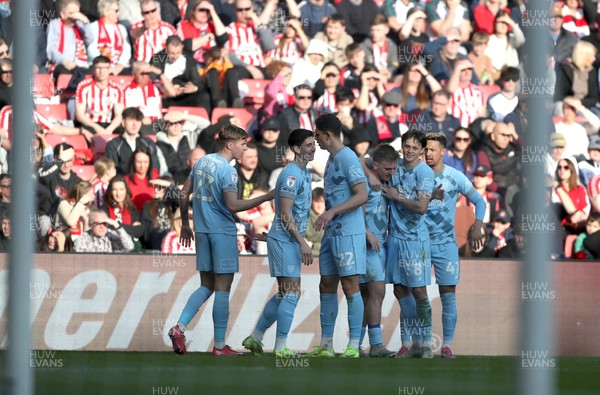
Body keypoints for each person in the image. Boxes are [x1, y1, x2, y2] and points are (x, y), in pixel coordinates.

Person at [168, 124, 274, 357]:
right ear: (230, 144)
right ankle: (219, 346)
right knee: (223, 290)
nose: (245, 148)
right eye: (242, 143)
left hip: (203, 231)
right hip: (223, 232)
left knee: (207, 285)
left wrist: (186, 224)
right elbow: (233, 206)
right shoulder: (229, 170)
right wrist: (267, 196)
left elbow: (184, 193)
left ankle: (180, 327)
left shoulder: (202, 161)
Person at [242, 128, 315, 357]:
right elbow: (284, 212)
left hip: (283, 238)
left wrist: (273, 235)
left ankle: (255, 338)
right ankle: (281, 346)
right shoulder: (292, 174)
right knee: (292, 293)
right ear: (295, 149)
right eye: (308, 144)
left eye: (314, 144)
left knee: (285, 293)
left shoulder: (304, 172)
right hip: (287, 240)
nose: (313, 148)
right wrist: (301, 242)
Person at [307, 113, 368, 359]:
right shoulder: (332, 159)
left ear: (328, 134)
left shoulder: (348, 157)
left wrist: (332, 211)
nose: (316, 139)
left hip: (348, 232)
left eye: (317, 134)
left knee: (351, 286)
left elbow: (362, 194)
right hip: (332, 232)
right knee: (326, 285)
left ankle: (354, 344)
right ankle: (326, 344)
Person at [423, 133, 486, 358]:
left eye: (432, 149)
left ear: (443, 152)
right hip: (419, 243)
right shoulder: (416, 176)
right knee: (416, 293)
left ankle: (447, 345)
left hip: (446, 245)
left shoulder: (455, 177)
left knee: (448, 293)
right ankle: (419, 343)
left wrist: (478, 224)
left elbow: (479, 201)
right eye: (425, 149)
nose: (428, 153)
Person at [378, 130, 434, 358]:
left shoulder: (424, 173)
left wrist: (397, 197)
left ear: (422, 150)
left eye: (414, 147)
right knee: (400, 289)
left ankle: (427, 343)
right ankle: (415, 343)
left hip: (415, 240)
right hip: (395, 238)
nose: (410, 150)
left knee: (419, 290)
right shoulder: (395, 166)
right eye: (406, 146)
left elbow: (422, 207)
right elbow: (368, 161)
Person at [358, 144, 398, 358]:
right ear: (375, 166)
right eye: (387, 169)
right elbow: (358, 158)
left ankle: (355, 344)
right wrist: (366, 231)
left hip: (379, 245)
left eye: (394, 169)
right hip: (366, 245)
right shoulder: (365, 181)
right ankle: (375, 345)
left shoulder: (385, 180)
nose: (392, 173)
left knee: (367, 296)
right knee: (377, 292)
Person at [150, 35, 210, 112]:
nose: (175, 56)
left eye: (178, 53)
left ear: (182, 47)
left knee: (204, 96)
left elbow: (198, 82)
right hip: (165, 96)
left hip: (184, 95)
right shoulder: (157, 59)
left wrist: (194, 88)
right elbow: (152, 80)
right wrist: (169, 87)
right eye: (172, 53)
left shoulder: (189, 60)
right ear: (166, 48)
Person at [75, 55, 125, 139]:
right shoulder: (83, 86)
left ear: (109, 69)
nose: (102, 71)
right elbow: (80, 115)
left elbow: (119, 115)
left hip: (109, 124)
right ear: (93, 69)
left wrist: (109, 129)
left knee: (124, 133)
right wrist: (97, 127)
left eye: (105, 68)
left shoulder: (117, 88)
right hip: (90, 123)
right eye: (98, 68)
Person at [105, 107, 164, 176]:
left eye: (138, 120)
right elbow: (112, 170)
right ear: (123, 123)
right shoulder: (113, 145)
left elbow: (155, 167)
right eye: (131, 120)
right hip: (123, 183)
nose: (134, 124)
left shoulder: (148, 143)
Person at [84, 0, 132, 75]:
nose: (118, 13)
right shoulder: (93, 27)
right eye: (116, 11)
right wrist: (105, 66)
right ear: (106, 12)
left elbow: (126, 50)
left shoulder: (121, 28)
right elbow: (91, 50)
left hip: (119, 68)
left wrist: (119, 66)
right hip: (99, 67)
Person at [45, 0, 91, 78]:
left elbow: (89, 40)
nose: (75, 16)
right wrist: (64, 61)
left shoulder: (79, 25)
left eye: (77, 13)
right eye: (71, 13)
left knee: (91, 73)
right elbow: (51, 49)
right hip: (61, 65)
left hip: (80, 65)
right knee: (65, 73)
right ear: (62, 14)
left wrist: (85, 22)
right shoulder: (55, 24)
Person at [101, 175, 145, 242]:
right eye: (115, 190)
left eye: (121, 189)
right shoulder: (105, 208)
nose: (118, 194)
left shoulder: (132, 209)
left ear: (126, 191)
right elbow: (105, 228)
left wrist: (115, 225)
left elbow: (139, 231)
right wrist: (131, 228)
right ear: (110, 192)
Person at [142, 176, 175, 249]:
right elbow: (148, 232)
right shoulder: (148, 206)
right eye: (155, 187)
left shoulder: (175, 205)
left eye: (160, 187)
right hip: (154, 246)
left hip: (173, 245)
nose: (156, 190)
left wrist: (170, 186)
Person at [125, 147, 156, 212]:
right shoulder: (126, 181)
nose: (142, 166)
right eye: (139, 162)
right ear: (133, 162)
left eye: (145, 162)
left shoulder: (156, 179)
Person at [305, 186, 325, 256]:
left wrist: (314, 245)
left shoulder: (332, 217)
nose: (319, 205)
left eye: (322, 202)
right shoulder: (305, 217)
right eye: (317, 202)